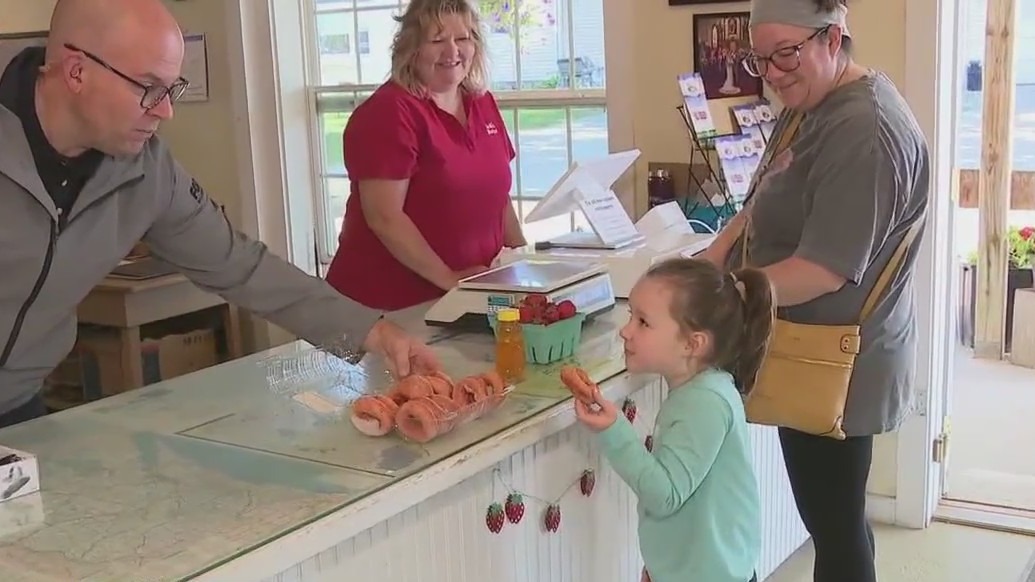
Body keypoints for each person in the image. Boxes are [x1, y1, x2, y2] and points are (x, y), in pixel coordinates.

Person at [0, 0, 439, 430]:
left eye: (172, 89)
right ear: (77, 71)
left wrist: (373, 332)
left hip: (19, 412)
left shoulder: (147, 171)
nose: (165, 111)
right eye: (148, 88)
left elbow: (240, 266)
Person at [699, 0, 931, 580]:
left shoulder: (864, 129)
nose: (774, 74)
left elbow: (822, 270)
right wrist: (718, 250)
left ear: (834, 38)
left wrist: (723, 294)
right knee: (837, 519)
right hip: (807, 344)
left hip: (834, 359)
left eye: (787, 54)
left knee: (835, 527)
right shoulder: (815, 103)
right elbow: (766, 198)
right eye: (761, 60)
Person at [574, 258, 772, 582]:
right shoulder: (702, 389)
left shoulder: (704, 402)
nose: (626, 331)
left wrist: (614, 430)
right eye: (630, 316)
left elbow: (665, 495)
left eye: (643, 322)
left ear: (692, 344)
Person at [324, 0, 527, 312]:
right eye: (437, 40)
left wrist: (522, 261)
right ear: (411, 48)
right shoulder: (388, 112)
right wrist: (449, 279)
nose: (452, 52)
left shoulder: (481, 102)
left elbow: (498, 195)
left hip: (465, 298)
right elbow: (384, 217)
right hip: (384, 306)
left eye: (462, 39)